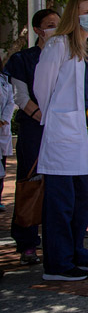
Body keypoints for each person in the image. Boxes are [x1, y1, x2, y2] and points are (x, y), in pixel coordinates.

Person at [33, 0, 88, 281]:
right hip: (64, 134)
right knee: (61, 203)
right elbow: (43, 90)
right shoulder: (57, 45)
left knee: (82, 199)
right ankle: (57, 263)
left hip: (86, 133)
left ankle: (77, 252)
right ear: (73, 15)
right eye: (87, 11)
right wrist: (61, 117)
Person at [4, 8, 59, 265]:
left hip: (61, 130)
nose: (54, 29)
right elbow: (21, 96)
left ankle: (56, 240)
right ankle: (27, 242)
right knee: (30, 182)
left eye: (58, 24)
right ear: (37, 29)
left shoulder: (67, 56)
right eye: (49, 25)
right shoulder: (23, 59)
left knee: (57, 186)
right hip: (34, 128)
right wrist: (42, 117)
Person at [0, 68, 13, 211]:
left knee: (1, 168)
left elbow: (11, 101)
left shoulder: (5, 81)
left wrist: (4, 119)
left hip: (2, 128)